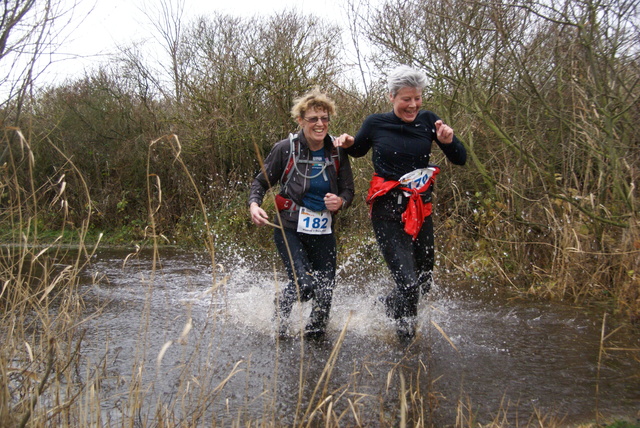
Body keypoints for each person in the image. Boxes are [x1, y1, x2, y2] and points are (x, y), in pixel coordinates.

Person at [334, 65, 466, 340]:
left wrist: (450, 141)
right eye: (406, 99)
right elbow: (358, 150)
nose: (413, 105)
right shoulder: (376, 122)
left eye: (417, 98)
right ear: (391, 96)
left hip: (420, 208)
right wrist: (347, 143)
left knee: (423, 282)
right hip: (387, 209)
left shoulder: (429, 120)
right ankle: (407, 344)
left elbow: (460, 158)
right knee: (407, 283)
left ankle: (387, 306)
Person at [248, 88, 355, 340]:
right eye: (313, 119)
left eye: (324, 118)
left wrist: (340, 201)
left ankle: (315, 347)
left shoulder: (338, 151)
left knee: (325, 293)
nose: (320, 124)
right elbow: (260, 183)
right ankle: (280, 315)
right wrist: (254, 204)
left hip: (323, 229)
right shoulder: (285, 149)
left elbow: (349, 189)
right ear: (301, 121)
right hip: (290, 228)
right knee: (304, 285)